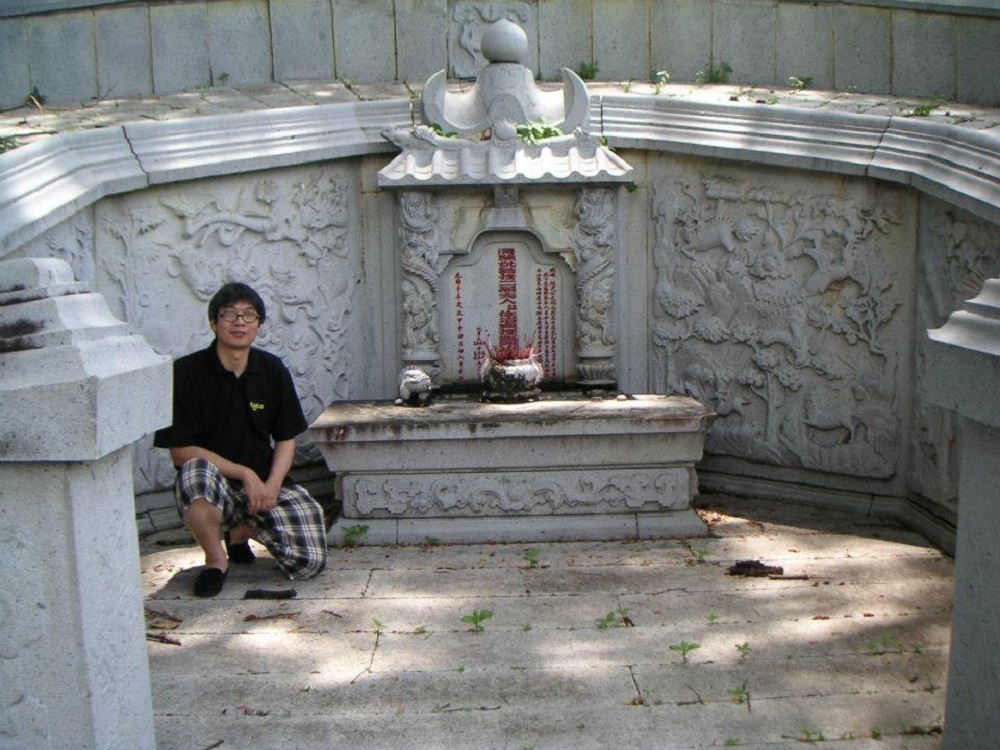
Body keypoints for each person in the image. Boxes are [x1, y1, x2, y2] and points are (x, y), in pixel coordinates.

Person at [154, 282, 328, 597]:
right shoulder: (186, 373)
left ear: (259, 325)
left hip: (263, 484)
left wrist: (272, 483)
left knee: (310, 561)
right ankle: (216, 559)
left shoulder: (271, 369)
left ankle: (241, 531)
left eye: (249, 315)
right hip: (215, 483)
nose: (240, 322)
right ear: (213, 323)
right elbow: (180, 451)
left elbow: (287, 437)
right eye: (229, 314)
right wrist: (244, 473)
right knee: (195, 472)